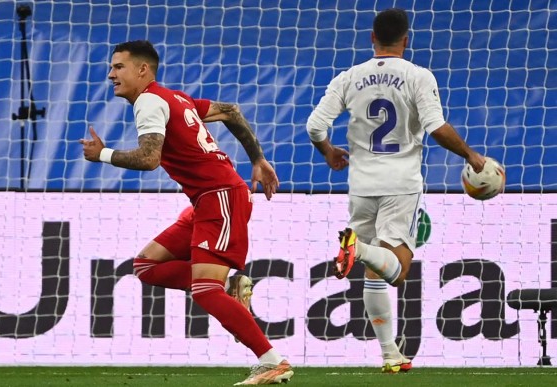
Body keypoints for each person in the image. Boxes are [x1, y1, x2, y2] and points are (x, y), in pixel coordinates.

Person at [80, 40, 293, 385]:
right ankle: (231, 281)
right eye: (112, 67)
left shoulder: (149, 101)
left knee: (206, 290)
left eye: (118, 67)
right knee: (146, 266)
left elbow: (149, 159)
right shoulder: (175, 98)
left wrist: (102, 155)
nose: (111, 74)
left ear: (142, 70)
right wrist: (257, 158)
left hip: (220, 197)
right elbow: (231, 111)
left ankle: (271, 360)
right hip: (206, 202)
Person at [306, 8, 486, 373]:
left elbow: (314, 125)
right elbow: (436, 127)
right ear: (406, 40)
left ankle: (390, 354)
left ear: (372, 38)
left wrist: (328, 151)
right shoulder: (418, 76)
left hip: (360, 183)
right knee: (398, 272)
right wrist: (470, 154)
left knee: (374, 272)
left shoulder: (349, 77)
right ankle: (359, 249)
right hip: (400, 184)